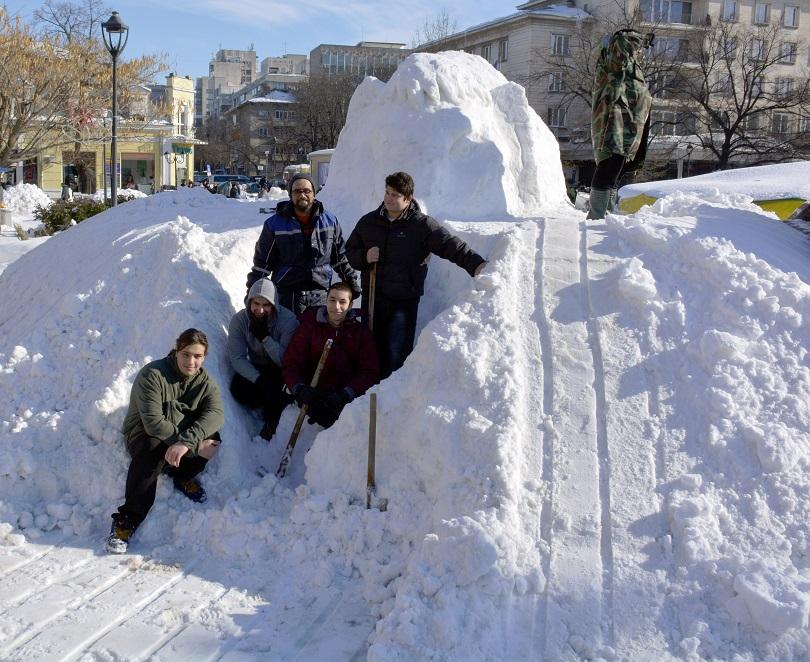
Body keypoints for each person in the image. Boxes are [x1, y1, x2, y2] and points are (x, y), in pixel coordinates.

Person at [346, 171, 487, 379]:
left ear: (408, 198)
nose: (389, 198)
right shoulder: (369, 222)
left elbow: (450, 245)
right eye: (387, 192)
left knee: (396, 355)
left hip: (403, 301)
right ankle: (368, 397)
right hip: (373, 298)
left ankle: (391, 399)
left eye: (395, 195)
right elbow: (350, 251)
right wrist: (365, 256)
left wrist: (477, 265)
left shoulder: (421, 226)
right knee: (371, 351)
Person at [106, 328, 224, 554]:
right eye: (186, 354)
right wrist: (188, 444)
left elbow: (216, 414)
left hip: (178, 436)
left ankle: (181, 476)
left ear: (204, 357)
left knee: (213, 441)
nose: (191, 361)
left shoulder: (204, 382)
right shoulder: (153, 375)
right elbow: (153, 422)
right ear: (177, 351)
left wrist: (186, 443)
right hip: (144, 434)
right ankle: (127, 520)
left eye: (197, 356)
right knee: (153, 447)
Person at [246, 174, 360, 315]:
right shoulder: (274, 225)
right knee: (291, 335)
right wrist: (252, 293)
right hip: (287, 295)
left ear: (314, 193)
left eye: (307, 191)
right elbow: (261, 265)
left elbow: (340, 258)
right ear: (290, 195)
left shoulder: (330, 222)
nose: (302, 195)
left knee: (320, 335)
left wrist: (350, 280)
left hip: (321, 294)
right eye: (297, 191)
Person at [283, 282, 378, 429]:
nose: (336, 307)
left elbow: (370, 371)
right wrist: (299, 388)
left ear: (351, 305)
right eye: (332, 300)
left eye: (342, 302)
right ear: (326, 301)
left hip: (344, 395)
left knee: (348, 421)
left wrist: (347, 393)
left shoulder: (360, 333)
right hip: (314, 391)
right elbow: (291, 363)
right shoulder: (309, 327)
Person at [587, 29, 654, 220]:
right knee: (610, 165)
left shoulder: (628, 66)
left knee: (618, 167)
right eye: (638, 46)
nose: (641, 51)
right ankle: (597, 216)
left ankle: (607, 214)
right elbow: (621, 46)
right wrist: (638, 39)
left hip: (627, 126)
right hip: (613, 123)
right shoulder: (614, 60)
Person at [227, 277, 299, 439]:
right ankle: (262, 403)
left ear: (274, 305)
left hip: (281, 369)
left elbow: (286, 361)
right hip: (257, 367)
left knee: (278, 393)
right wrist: (258, 379)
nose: (260, 310)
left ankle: (273, 422)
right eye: (256, 304)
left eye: (266, 305)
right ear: (249, 303)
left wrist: (265, 338)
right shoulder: (240, 321)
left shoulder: (288, 321)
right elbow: (237, 357)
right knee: (238, 390)